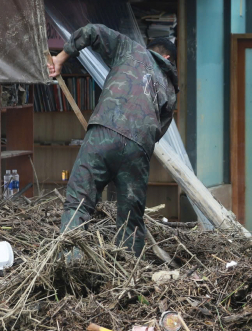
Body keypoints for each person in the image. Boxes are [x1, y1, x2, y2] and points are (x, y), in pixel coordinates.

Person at [50, 25, 178, 257]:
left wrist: (60, 58)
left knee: (79, 201)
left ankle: (69, 265)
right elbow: (158, 133)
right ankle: (127, 276)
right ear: (168, 58)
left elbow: (92, 31)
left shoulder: (131, 50)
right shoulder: (170, 89)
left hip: (104, 133)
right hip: (138, 148)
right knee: (131, 217)